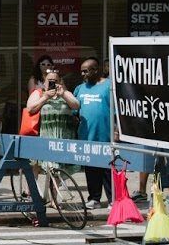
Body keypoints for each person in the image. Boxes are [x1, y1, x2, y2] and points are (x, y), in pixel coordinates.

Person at [26, 69, 80, 194]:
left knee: (58, 168)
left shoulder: (65, 93)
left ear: (60, 81)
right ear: (44, 82)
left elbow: (76, 105)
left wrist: (63, 94)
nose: (52, 83)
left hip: (63, 136)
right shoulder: (39, 93)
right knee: (37, 165)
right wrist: (45, 97)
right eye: (49, 81)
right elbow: (30, 108)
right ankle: (31, 194)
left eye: (55, 81)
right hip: (44, 136)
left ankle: (54, 198)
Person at [73, 57, 112, 209]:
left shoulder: (109, 86)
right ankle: (94, 199)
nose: (83, 74)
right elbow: (75, 110)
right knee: (91, 170)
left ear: (96, 70)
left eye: (86, 71)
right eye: (82, 71)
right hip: (87, 136)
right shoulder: (80, 88)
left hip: (106, 136)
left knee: (108, 170)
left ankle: (112, 200)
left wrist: (116, 130)